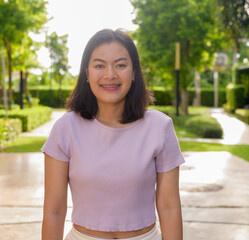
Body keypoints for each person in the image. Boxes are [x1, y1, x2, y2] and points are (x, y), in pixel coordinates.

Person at [41, 29, 185, 240]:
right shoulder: (65, 129)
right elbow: (53, 212)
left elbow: (169, 207)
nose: (110, 74)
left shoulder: (160, 126)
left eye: (121, 65)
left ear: (134, 72)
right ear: (87, 73)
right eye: (99, 65)